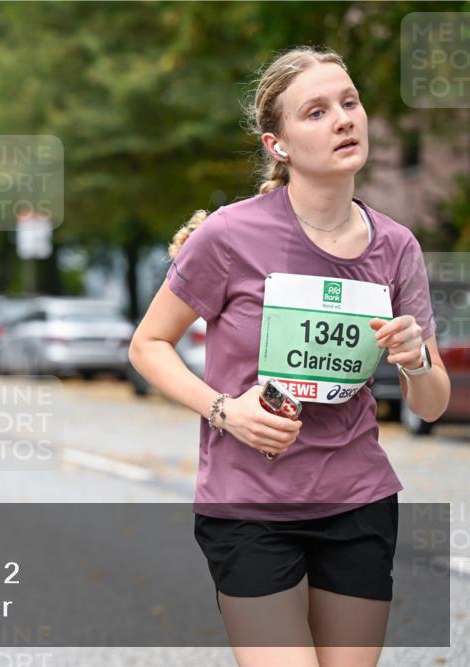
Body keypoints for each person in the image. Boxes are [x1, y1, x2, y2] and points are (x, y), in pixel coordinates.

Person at [129, 47, 451, 666]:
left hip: (358, 502)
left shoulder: (397, 247)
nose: (343, 119)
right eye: (317, 111)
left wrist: (414, 360)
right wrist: (225, 411)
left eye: (350, 103)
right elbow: (148, 344)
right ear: (278, 145)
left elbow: (432, 404)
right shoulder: (229, 235)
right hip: (248, 506)